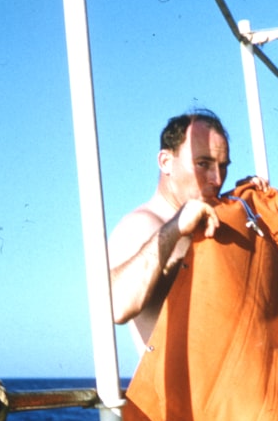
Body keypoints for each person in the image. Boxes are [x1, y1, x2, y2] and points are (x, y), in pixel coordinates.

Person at [106, 109, 265, 350]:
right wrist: (174, 229)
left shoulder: (213, 217)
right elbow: (116, 306)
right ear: (165, 162)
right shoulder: (142, 224)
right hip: (179, 386)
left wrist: (248, 205)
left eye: (223, 167)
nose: (217, 179)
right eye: (203, 164)